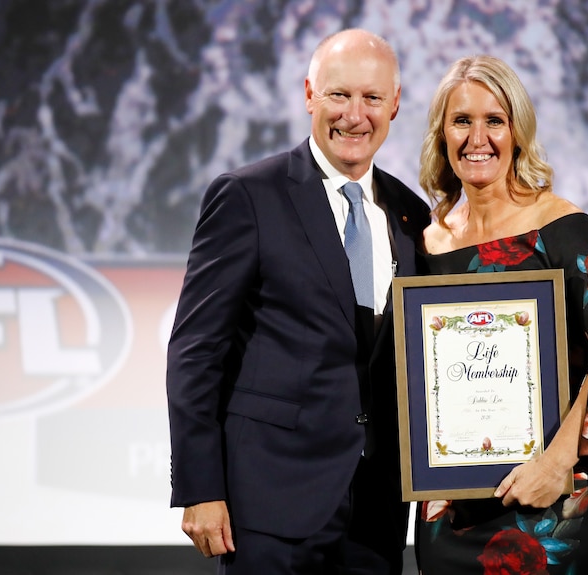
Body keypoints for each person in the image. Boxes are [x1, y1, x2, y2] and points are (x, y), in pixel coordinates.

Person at [414, 55, 588, 574]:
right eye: (462, 120)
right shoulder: (425, 244)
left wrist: (556, 461)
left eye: (494, 121)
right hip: (449, 510)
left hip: (554, 501)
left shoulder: (561, 225)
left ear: (518, 131)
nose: (477, 137)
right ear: (441, 133)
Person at [165, 29, 430, 575]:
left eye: (372, 98)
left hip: (375, 511)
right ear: (309, 94)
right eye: (338, 95)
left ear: (395, 105)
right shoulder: (248, 197)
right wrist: (199, 487)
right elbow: (195, 351)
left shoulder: (411, 214)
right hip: (268, 502)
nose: (354, 115)